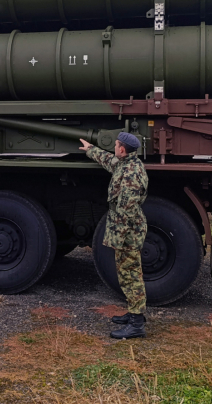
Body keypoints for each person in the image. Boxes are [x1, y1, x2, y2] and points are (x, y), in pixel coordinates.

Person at [79, 132, 149, 339]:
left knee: (130, 274)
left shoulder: (130, 174)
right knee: (127, 273)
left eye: (116, 145)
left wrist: (116, 240)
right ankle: (134, 313)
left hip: (128, 232)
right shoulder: (126, 163)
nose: (114, 147)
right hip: (128, 229)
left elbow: (126, 211)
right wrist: (90, 149)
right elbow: (109, 160)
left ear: (122, 149)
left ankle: (137, 324)